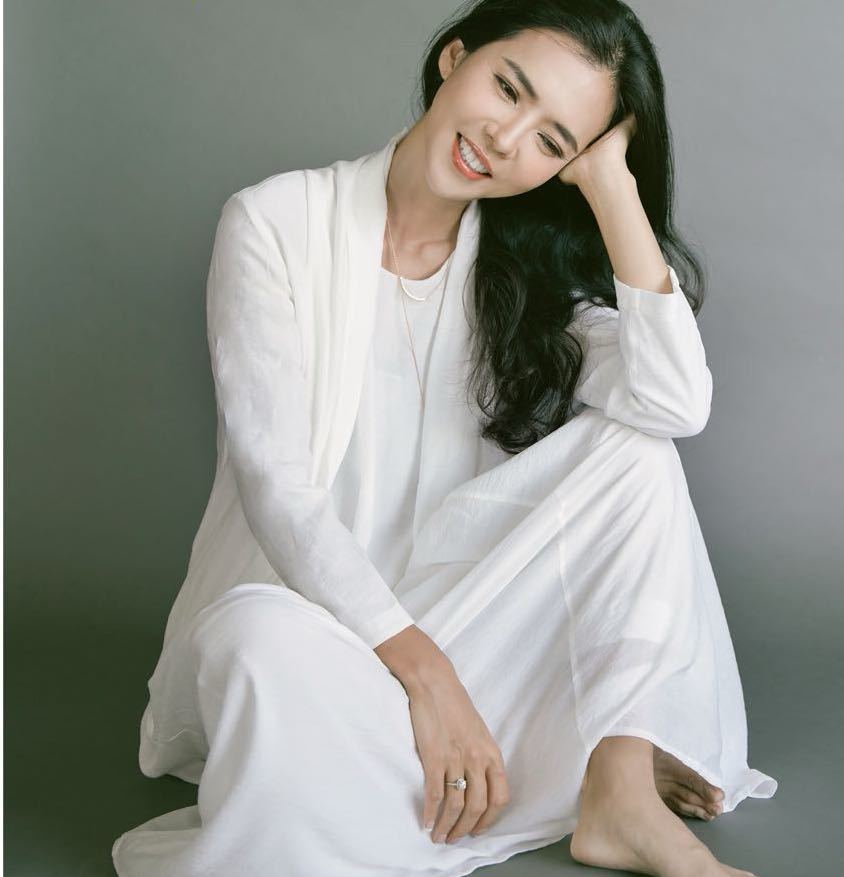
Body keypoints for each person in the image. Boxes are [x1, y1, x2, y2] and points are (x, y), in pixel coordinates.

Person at [111, 2, 778, 875]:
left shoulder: (528, 272)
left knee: (638, 454)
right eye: (507, 88)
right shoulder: (276, 221)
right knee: (250, 634)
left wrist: (612, 182)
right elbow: (275, 480)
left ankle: (618, 789)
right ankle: (512, 747)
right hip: (321, 639)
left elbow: (673, 402)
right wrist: (425, 675)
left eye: (551, 141)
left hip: (466, 631)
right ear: (453, 57)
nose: (505, 139)